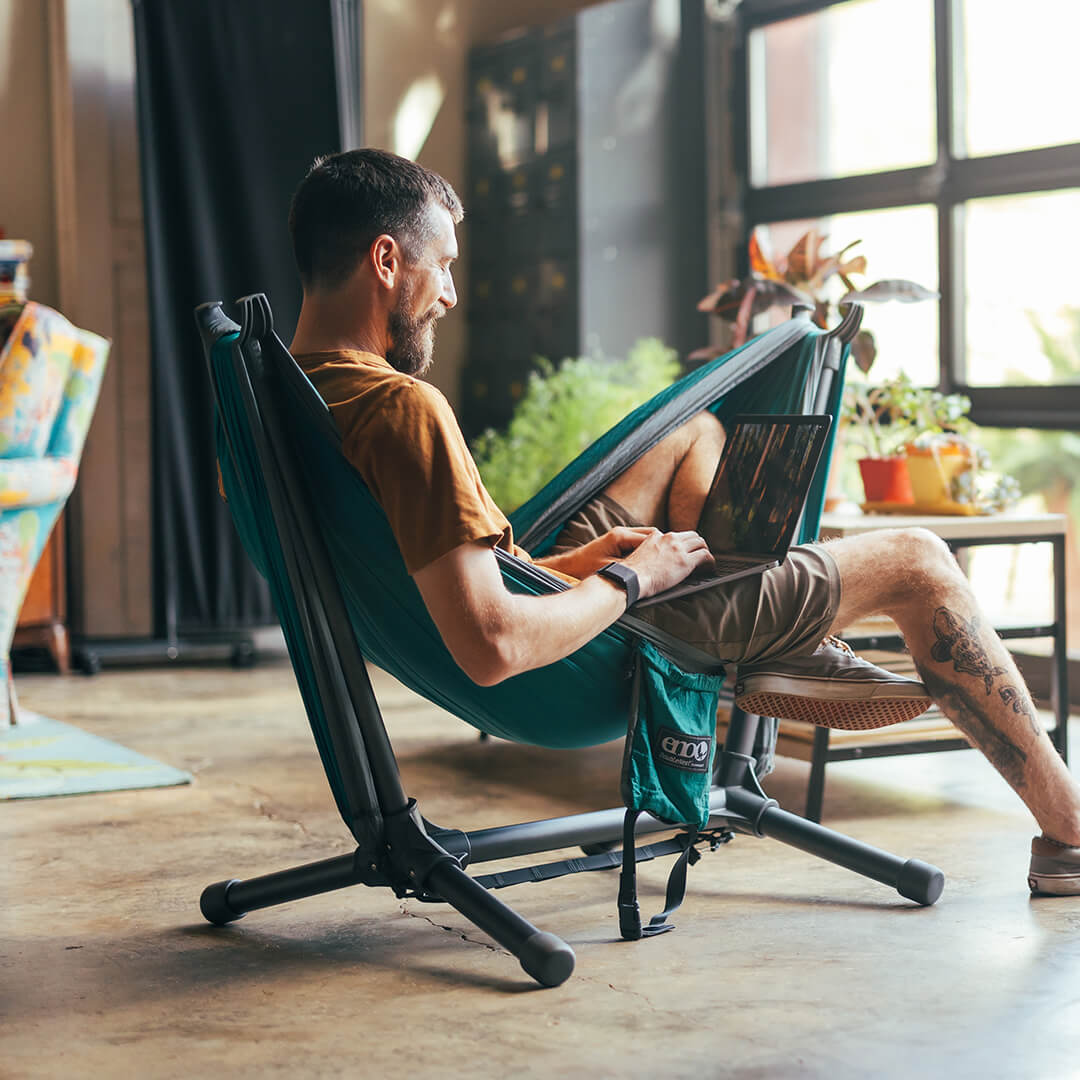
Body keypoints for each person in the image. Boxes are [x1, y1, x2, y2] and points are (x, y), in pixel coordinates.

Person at [287, 148, 1080, 896]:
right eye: (445, 267)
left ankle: (774, 626)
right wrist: (634, 577)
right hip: (579, 658)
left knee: (691, 428)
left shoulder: (294, 396)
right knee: (918, 557)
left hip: (541, 598)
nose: (451, 295)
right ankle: (1071, 832)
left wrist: (590, 558)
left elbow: (459, 587)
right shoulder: (401, 409)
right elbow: (494, 645)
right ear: (387, 262)